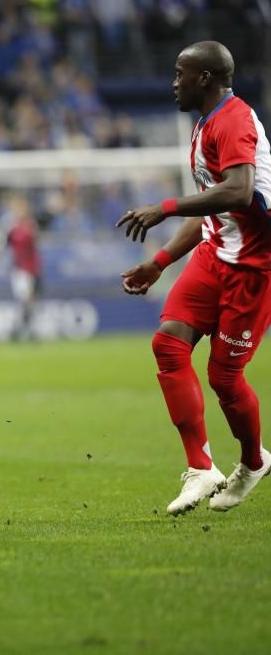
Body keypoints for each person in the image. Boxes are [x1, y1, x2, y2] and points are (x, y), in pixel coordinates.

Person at [117, 41, 271, 515]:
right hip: (213, 254)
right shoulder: (204, 123)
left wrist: (163, 207)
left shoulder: (233, 120)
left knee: (224, 376)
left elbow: (241, 192)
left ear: (205, 78)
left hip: (253, 266)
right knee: (168, 343)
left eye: (181, 73)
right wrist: (159, 263)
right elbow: (216, 202)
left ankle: (252, 462)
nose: (174, 81)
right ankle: (202, 468)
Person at [0, 193, 42, 341]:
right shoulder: (8, 225)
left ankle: (20, 329)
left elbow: (36, 241)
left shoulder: (30, 223)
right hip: (20, 269)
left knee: (32, 300)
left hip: (34, 268)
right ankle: (24, 331)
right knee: (26, 299)